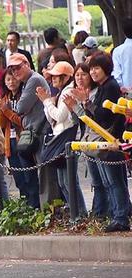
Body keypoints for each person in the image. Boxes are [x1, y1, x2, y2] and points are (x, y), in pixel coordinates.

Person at [68, 52, 130, 232]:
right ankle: (119, 213)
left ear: (106, 68)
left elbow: (103, 116)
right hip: (105, 139)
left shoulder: (110, 86)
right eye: (92, 68)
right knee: (110, 180)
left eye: (96, 68)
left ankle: (120, 217)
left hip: (111, 140)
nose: (93, 72)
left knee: (114, 181)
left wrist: (86, 102)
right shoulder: (104, 86)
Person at [36, 61, 87, 216]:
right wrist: (48, 103)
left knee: (69, 181)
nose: (53, 80)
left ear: (65, 77)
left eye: (56, 76)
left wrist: (46, 101)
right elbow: (52, 119)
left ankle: (80, 213)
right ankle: (75, 212)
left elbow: (59, 116)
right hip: (60, 138)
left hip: (67, 138)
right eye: (51, 77)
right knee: (63, 182)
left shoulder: (68, 91)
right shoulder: (61, 92)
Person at [62, 63, 107, 218]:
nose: (80, 78)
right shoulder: (77, 93)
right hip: (86, 140)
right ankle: (99, 212)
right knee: (96, 181)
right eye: (77, 75)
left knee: (103, 181)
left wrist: (78, 105)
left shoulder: (95, 93)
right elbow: (77, 120)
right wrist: (71, 108)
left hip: (98, 139)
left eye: (83, 74)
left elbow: (91, 119)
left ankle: (103, 212)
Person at [7, 53, 51, 209]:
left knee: (43, 174)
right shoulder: (26, 82)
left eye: (18, 67)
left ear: (27, 64)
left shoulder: (34, 80)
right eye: (12, 70)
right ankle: (38, 206)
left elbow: (21, 108)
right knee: (31, 173)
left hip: (40, 132)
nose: (15, 72)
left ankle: (47, 208)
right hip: (33, 132)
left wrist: (9, 108)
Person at [0, 69, 27, 199]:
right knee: (18, 177)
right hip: (10, 139)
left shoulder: (24, 96)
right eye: (8, 79)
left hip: (23, 139)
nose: (11, 82)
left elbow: (22, 121)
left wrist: (5, 109)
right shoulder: (6, 97)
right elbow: (1, 124)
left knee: (27, 176)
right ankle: (24, 204)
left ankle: (33, 204)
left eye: (14, 78)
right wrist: (1, 109)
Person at [112, 17, 132, 92]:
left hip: (126, 92)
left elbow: (116, 73)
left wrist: (122, 87)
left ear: (124, 32)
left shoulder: (118, 51)